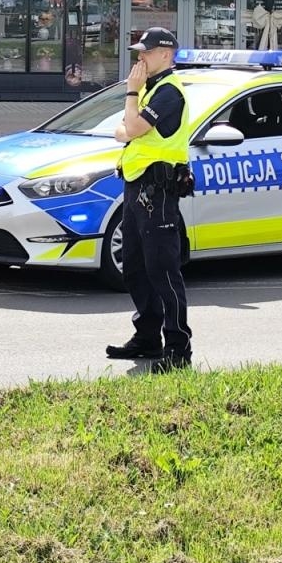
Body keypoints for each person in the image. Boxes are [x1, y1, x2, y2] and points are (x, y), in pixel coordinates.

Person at [105, 26, 193, 373]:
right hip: (136, 189)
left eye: (146, 52)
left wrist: (130, 93)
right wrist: (131, 118)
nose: (139, 58)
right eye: (139, 52)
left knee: (163, 271)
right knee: (135, 267)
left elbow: (132, 129)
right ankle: (147, 338)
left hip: (157, 194)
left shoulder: (168, 92)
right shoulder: (151, 91)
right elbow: (120, 130)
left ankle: (178, 348)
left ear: (166, 54)